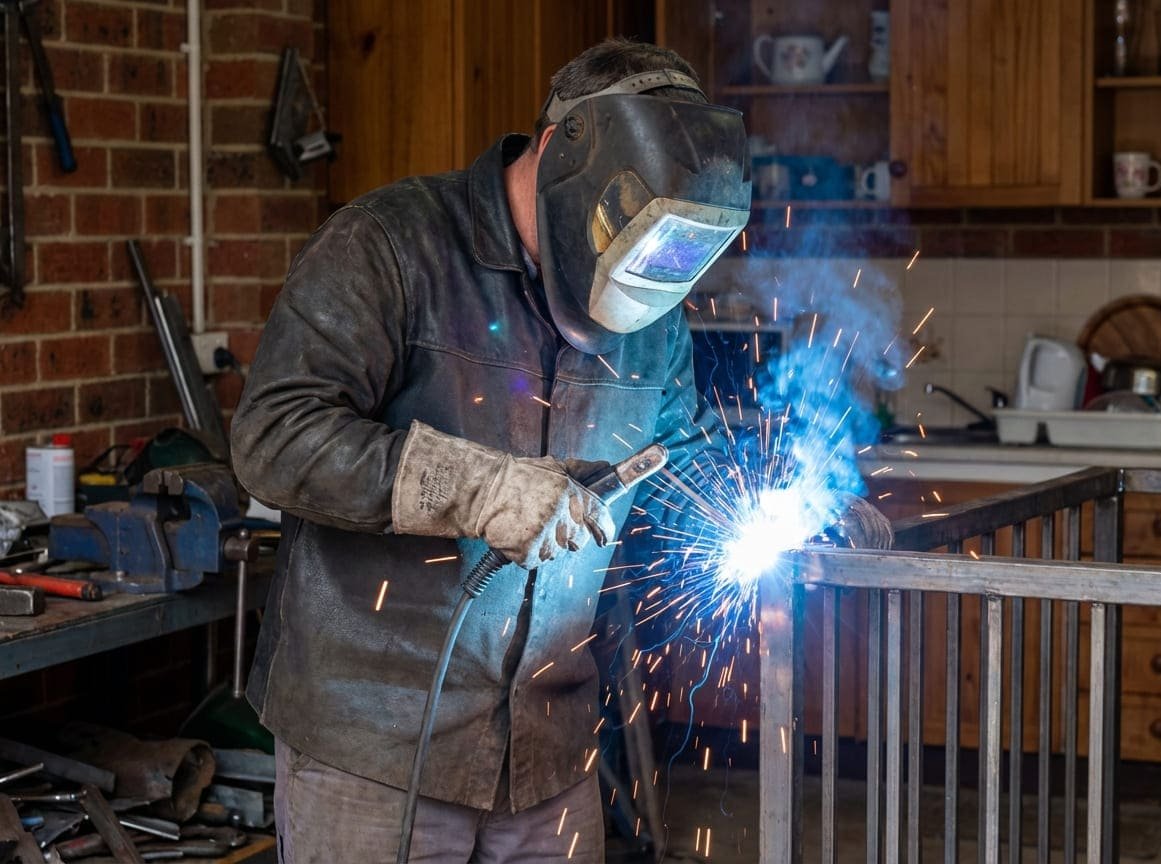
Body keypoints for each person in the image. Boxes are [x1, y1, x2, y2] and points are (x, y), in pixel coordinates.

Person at [230, 38, 890, 864]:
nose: (645, 285)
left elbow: (674, 467)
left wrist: (785, 511)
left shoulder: (653, 314)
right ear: (558, 154)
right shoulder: (389, 246)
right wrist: (473, 487)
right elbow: (273, 435)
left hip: (552, 748)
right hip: (376, 747)